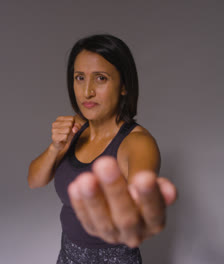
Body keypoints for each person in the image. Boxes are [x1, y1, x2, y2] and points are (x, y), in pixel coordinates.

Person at [28, 34, 177, 264]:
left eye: (100, 78)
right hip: (67, 255)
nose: (87, 91)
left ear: (124, 85)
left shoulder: (137, 143)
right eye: (79, 77)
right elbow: (34, 180)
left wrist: (139, 214)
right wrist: (55, 147)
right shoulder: (77, 127)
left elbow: (139, 210)